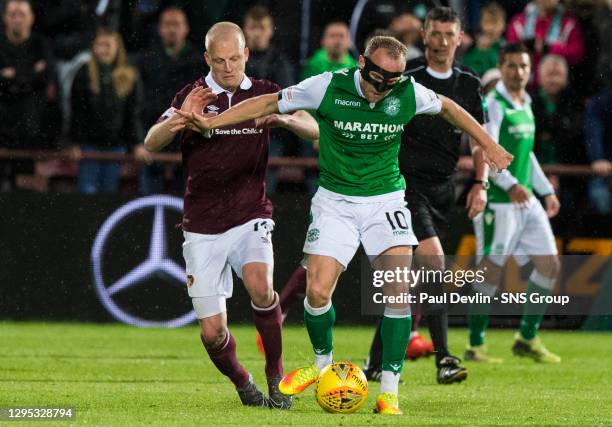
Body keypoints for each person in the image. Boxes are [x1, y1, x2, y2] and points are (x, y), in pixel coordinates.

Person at [172, 35, 512, 415]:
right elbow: (269, 102)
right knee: (317, 293)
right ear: (363, 64)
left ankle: (389, 392)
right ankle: (322, 367)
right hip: (335, 202)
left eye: (393, 83)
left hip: (385, 200)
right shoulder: (327, 86)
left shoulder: (408, 93)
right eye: (378, 80)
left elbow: (449, 107)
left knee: (397, 291)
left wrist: (488, 143)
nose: (384, 91)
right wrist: (213, 122)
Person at [143, 22, 318, 409]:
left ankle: (276, 377)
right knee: (212, 333)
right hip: (202, 224)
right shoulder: (192, 95)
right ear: (207, 58)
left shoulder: (264, 92)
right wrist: (179, 119)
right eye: (219, 60)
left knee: (261, 286)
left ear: (246, 54)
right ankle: (243, 381)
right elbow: (150, 142)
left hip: (250, 214)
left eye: (234, 58)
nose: (227, 67)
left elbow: (314, 128)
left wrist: (285, 119)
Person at [363, 6, 489, 385]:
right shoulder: (408, 77)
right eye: (435, 33)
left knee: (413, 280)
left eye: (449, 35)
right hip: (404, 185)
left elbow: (478, 140)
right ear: (423, 34)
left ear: (459, 38)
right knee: (434, 262)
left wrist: (480, 184)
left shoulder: (468, 83)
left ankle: (375, 358)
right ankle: (444, 357)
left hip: (444, 189)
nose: (441, 42)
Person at [465, 43, 562, 364]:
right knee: (491, 271)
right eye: (511, 66)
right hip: (498, 202)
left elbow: (526, 154)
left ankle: (526, 337)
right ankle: (475, 345)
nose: (518, 72)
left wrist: (545, 189)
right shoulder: (492, 105)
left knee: (549, 264)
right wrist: (509, 184)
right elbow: (485, 148)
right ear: (501, 67)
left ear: (529, 69)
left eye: (523, 66)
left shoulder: (527, 102)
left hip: (525, 200)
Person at [136, 6, 203, 194]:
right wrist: (140, 140)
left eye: (177, 24)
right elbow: (137, 104)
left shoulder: (199, 61)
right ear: (160, 28)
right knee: (149, 202)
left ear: (186, 28)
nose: (172, 29)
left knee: (187, 205)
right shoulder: (146, 59)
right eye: (167, 24)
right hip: (153, 137)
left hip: (187, 141)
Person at [70, 29, 143, 194]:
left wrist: (137, 143)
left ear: (118, 48)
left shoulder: (130, 75)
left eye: (108, 45)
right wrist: (74, 142)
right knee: (86, 192)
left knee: (109, 193)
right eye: (99, 45)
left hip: (116, 145)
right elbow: (77, 111)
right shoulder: (84, 73)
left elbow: (133, 113)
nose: (103, 50)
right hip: (89, 145)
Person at [0, 0, 55, 191]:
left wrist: (12, 76)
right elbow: (37, 78)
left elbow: (46, 77)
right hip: (2, 134)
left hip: (31, 134)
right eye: (13, 14)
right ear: (5, 17)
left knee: (26, 196)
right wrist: (31, 75)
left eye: (22, 14)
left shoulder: (42, 44)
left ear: (31, 18)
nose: (17, 19)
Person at [242, 5, 295, 194]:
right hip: (235, 131)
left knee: (260, 194)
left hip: (270, 137)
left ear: (270, 31)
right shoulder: (233, 61)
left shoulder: (280, 62)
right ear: (244, 30)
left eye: (262, 28)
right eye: (252, 27)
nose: (257, 33)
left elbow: (287, 102)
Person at [506, 0, 585, 86]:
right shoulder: (519, 22)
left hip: (557, 86)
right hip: (525, 83)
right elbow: (510, 52)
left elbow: (577, 53)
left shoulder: (568, 23)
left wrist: (548, 48)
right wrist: (526, 47)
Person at [584, 88, 612, 214]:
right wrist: (597, 158)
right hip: (605, 171)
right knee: (601, 198)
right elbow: (593, 132)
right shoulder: (602, 101)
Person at [462, 2, 506, 76]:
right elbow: (467, 67)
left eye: (495, 22)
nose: (491, 27)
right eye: (487, 22)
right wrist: (479, 49)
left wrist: (488, 50)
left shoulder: (505, 48)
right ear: (481, 23)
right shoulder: (473, 46)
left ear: (503, 25)